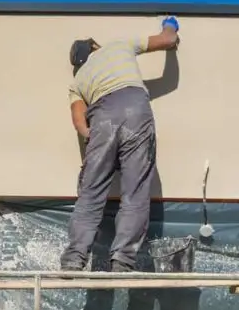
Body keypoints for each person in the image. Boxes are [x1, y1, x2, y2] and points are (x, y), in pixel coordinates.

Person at [59, 16, 180, 273]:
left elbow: (79, 122)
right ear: (94, 47)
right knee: (134, 191)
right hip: (136, 109)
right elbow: (168, 41)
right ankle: (122, 261)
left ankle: (73, 258)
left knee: (91, 192)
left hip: (101, 118)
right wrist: (170, 25)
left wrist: (97, 141)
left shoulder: (77, 83)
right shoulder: (118, 46)